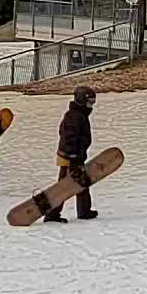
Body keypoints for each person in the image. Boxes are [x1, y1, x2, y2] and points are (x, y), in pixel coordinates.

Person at [52, 85, 99, 223]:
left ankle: (84, 211)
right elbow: (68, 136)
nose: (91, 105)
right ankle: (52, 214)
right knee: (63, 186)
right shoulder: (73, 116)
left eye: (93, 102)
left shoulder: (79, 115)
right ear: (81, 100)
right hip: (69, 158)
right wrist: (72, 155)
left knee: (82, 182)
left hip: (76, 156)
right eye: (89, 102)